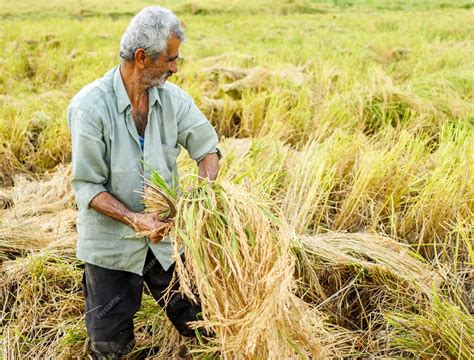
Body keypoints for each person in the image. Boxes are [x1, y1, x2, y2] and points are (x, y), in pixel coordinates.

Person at [67, 6, 220, 359]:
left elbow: (208, 150)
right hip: (111, 248)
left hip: (167, 244)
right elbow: (88, 186)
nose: (175, 67)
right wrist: (136, 220)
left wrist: (200, 198)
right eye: (170, 59)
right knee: (110, 347)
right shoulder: (90, 108)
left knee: (206, 329)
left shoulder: (174, 101)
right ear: (141, 57)